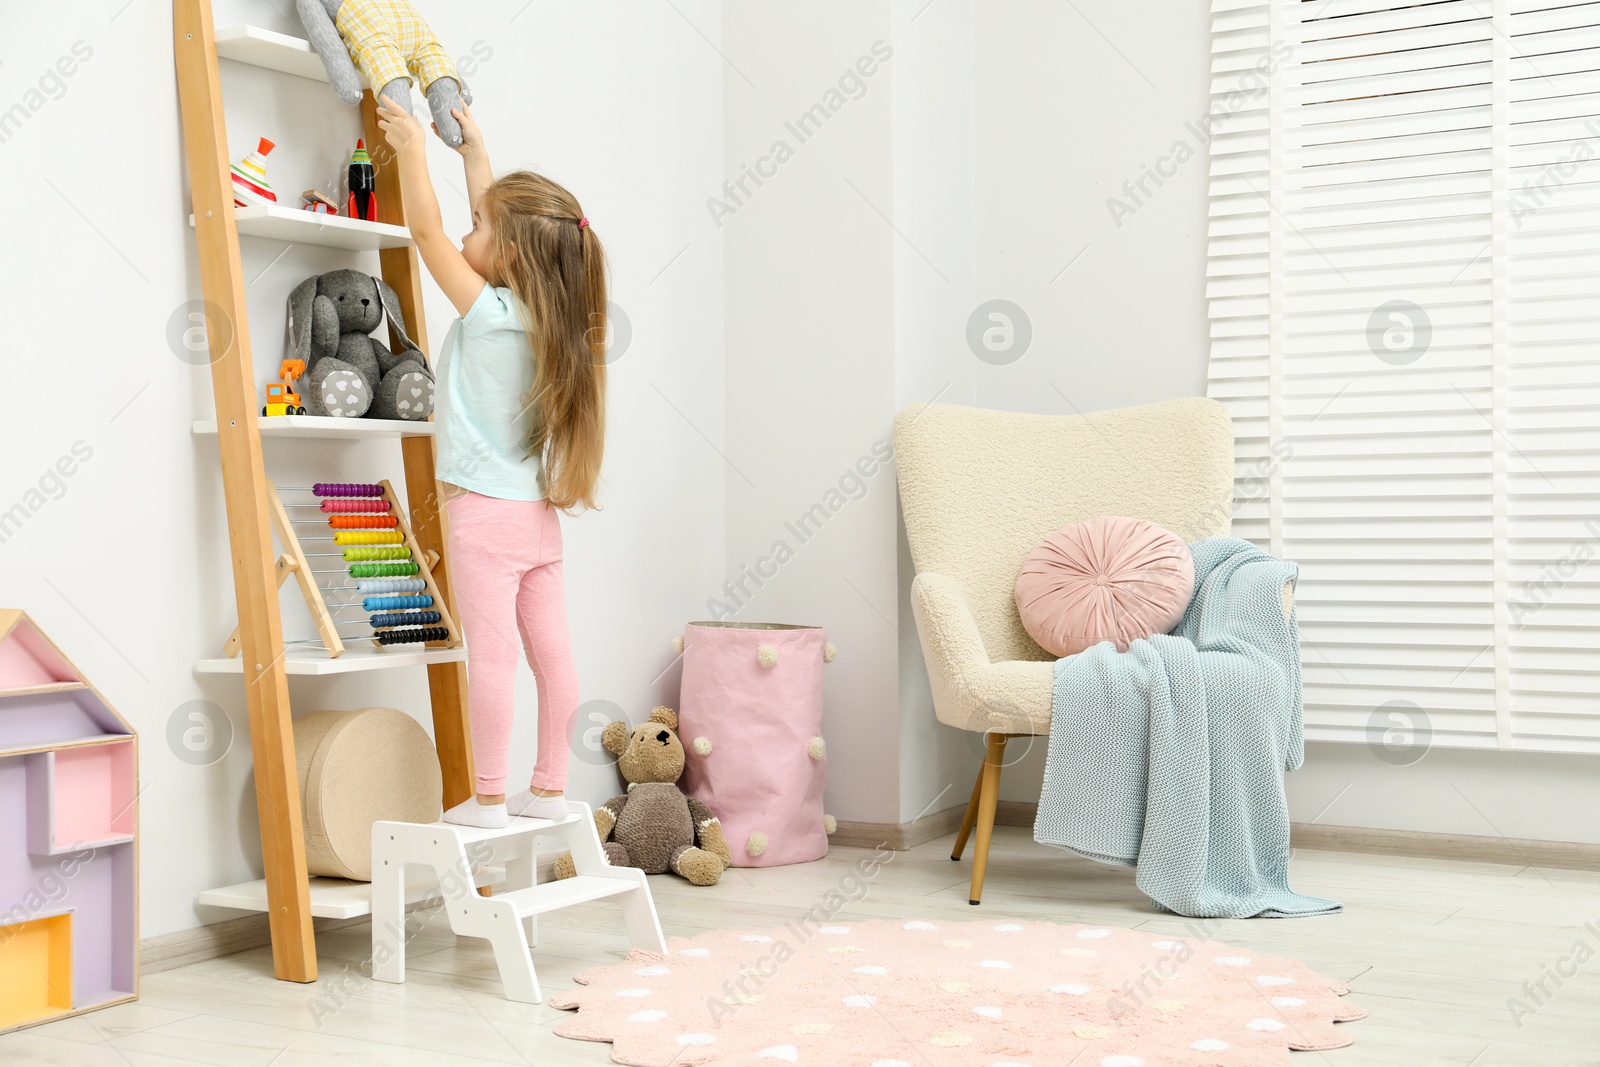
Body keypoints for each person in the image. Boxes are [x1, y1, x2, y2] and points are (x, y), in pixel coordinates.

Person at [377, 94, 607, 828]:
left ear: (508, 254)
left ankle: (485, 799)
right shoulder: (555, 320)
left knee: (495, 659)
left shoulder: (486, 312)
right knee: (553, 656)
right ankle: (546, 790)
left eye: (484, 228)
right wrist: (475, 152)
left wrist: (412, 148)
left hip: (482, 513)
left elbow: (426, 229)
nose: (473, 231)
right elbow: (494, 229)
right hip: (537, 515)